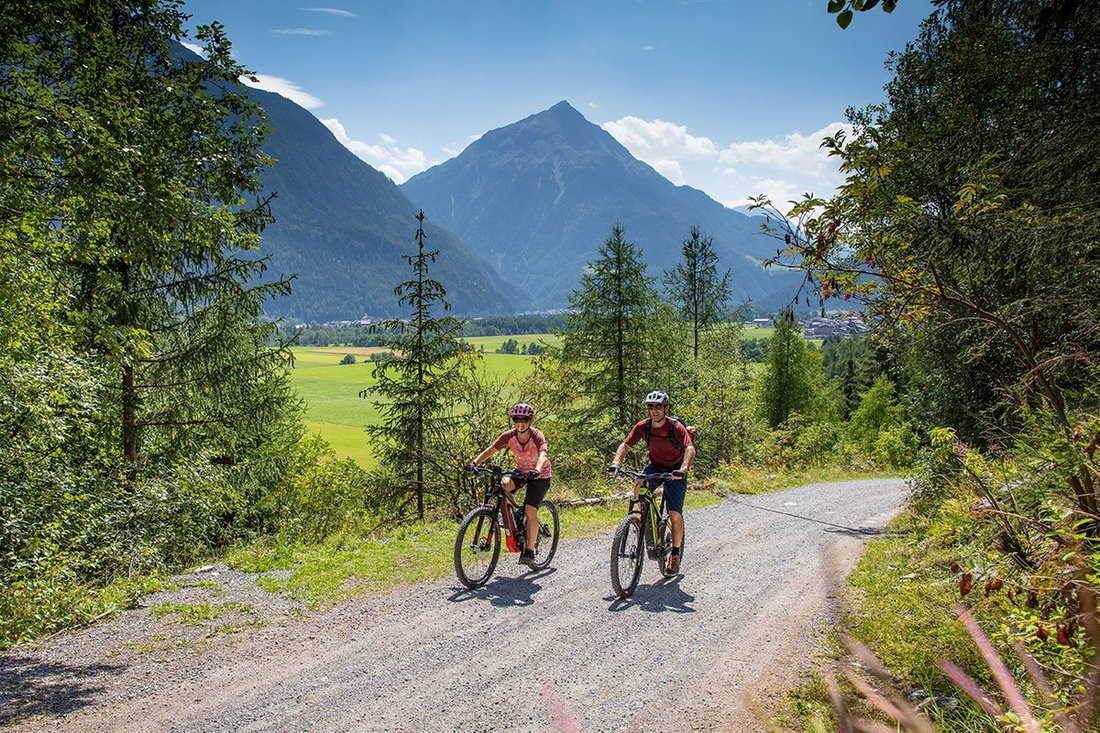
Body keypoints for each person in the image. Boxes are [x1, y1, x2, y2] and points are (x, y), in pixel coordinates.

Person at [609, 390, 695, 573]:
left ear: (666, 408)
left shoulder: (675, 427)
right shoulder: (644, 426)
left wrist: (684, 469)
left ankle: (675, 554)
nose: (654, 410)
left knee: (675, 514)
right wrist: (616, 463)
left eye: (658, 407)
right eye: (651, 407)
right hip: (656, 466)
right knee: (639, 485)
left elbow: (689, 448)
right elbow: (625, 445)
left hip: (675, 471)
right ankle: (645, 520)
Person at [468, 402, 552, 567]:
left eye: (525, 420)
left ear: (530, 420)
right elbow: (491, 449)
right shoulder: (509, 435)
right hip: (521, 471)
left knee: (530, 510)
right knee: (503, 484)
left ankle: (529, 550)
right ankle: (514, 521)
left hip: (540, 475)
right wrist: (474, 462)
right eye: (517, 419)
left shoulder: (537, 435)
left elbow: (543, 454)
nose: (520, 423)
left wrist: (537, 469)